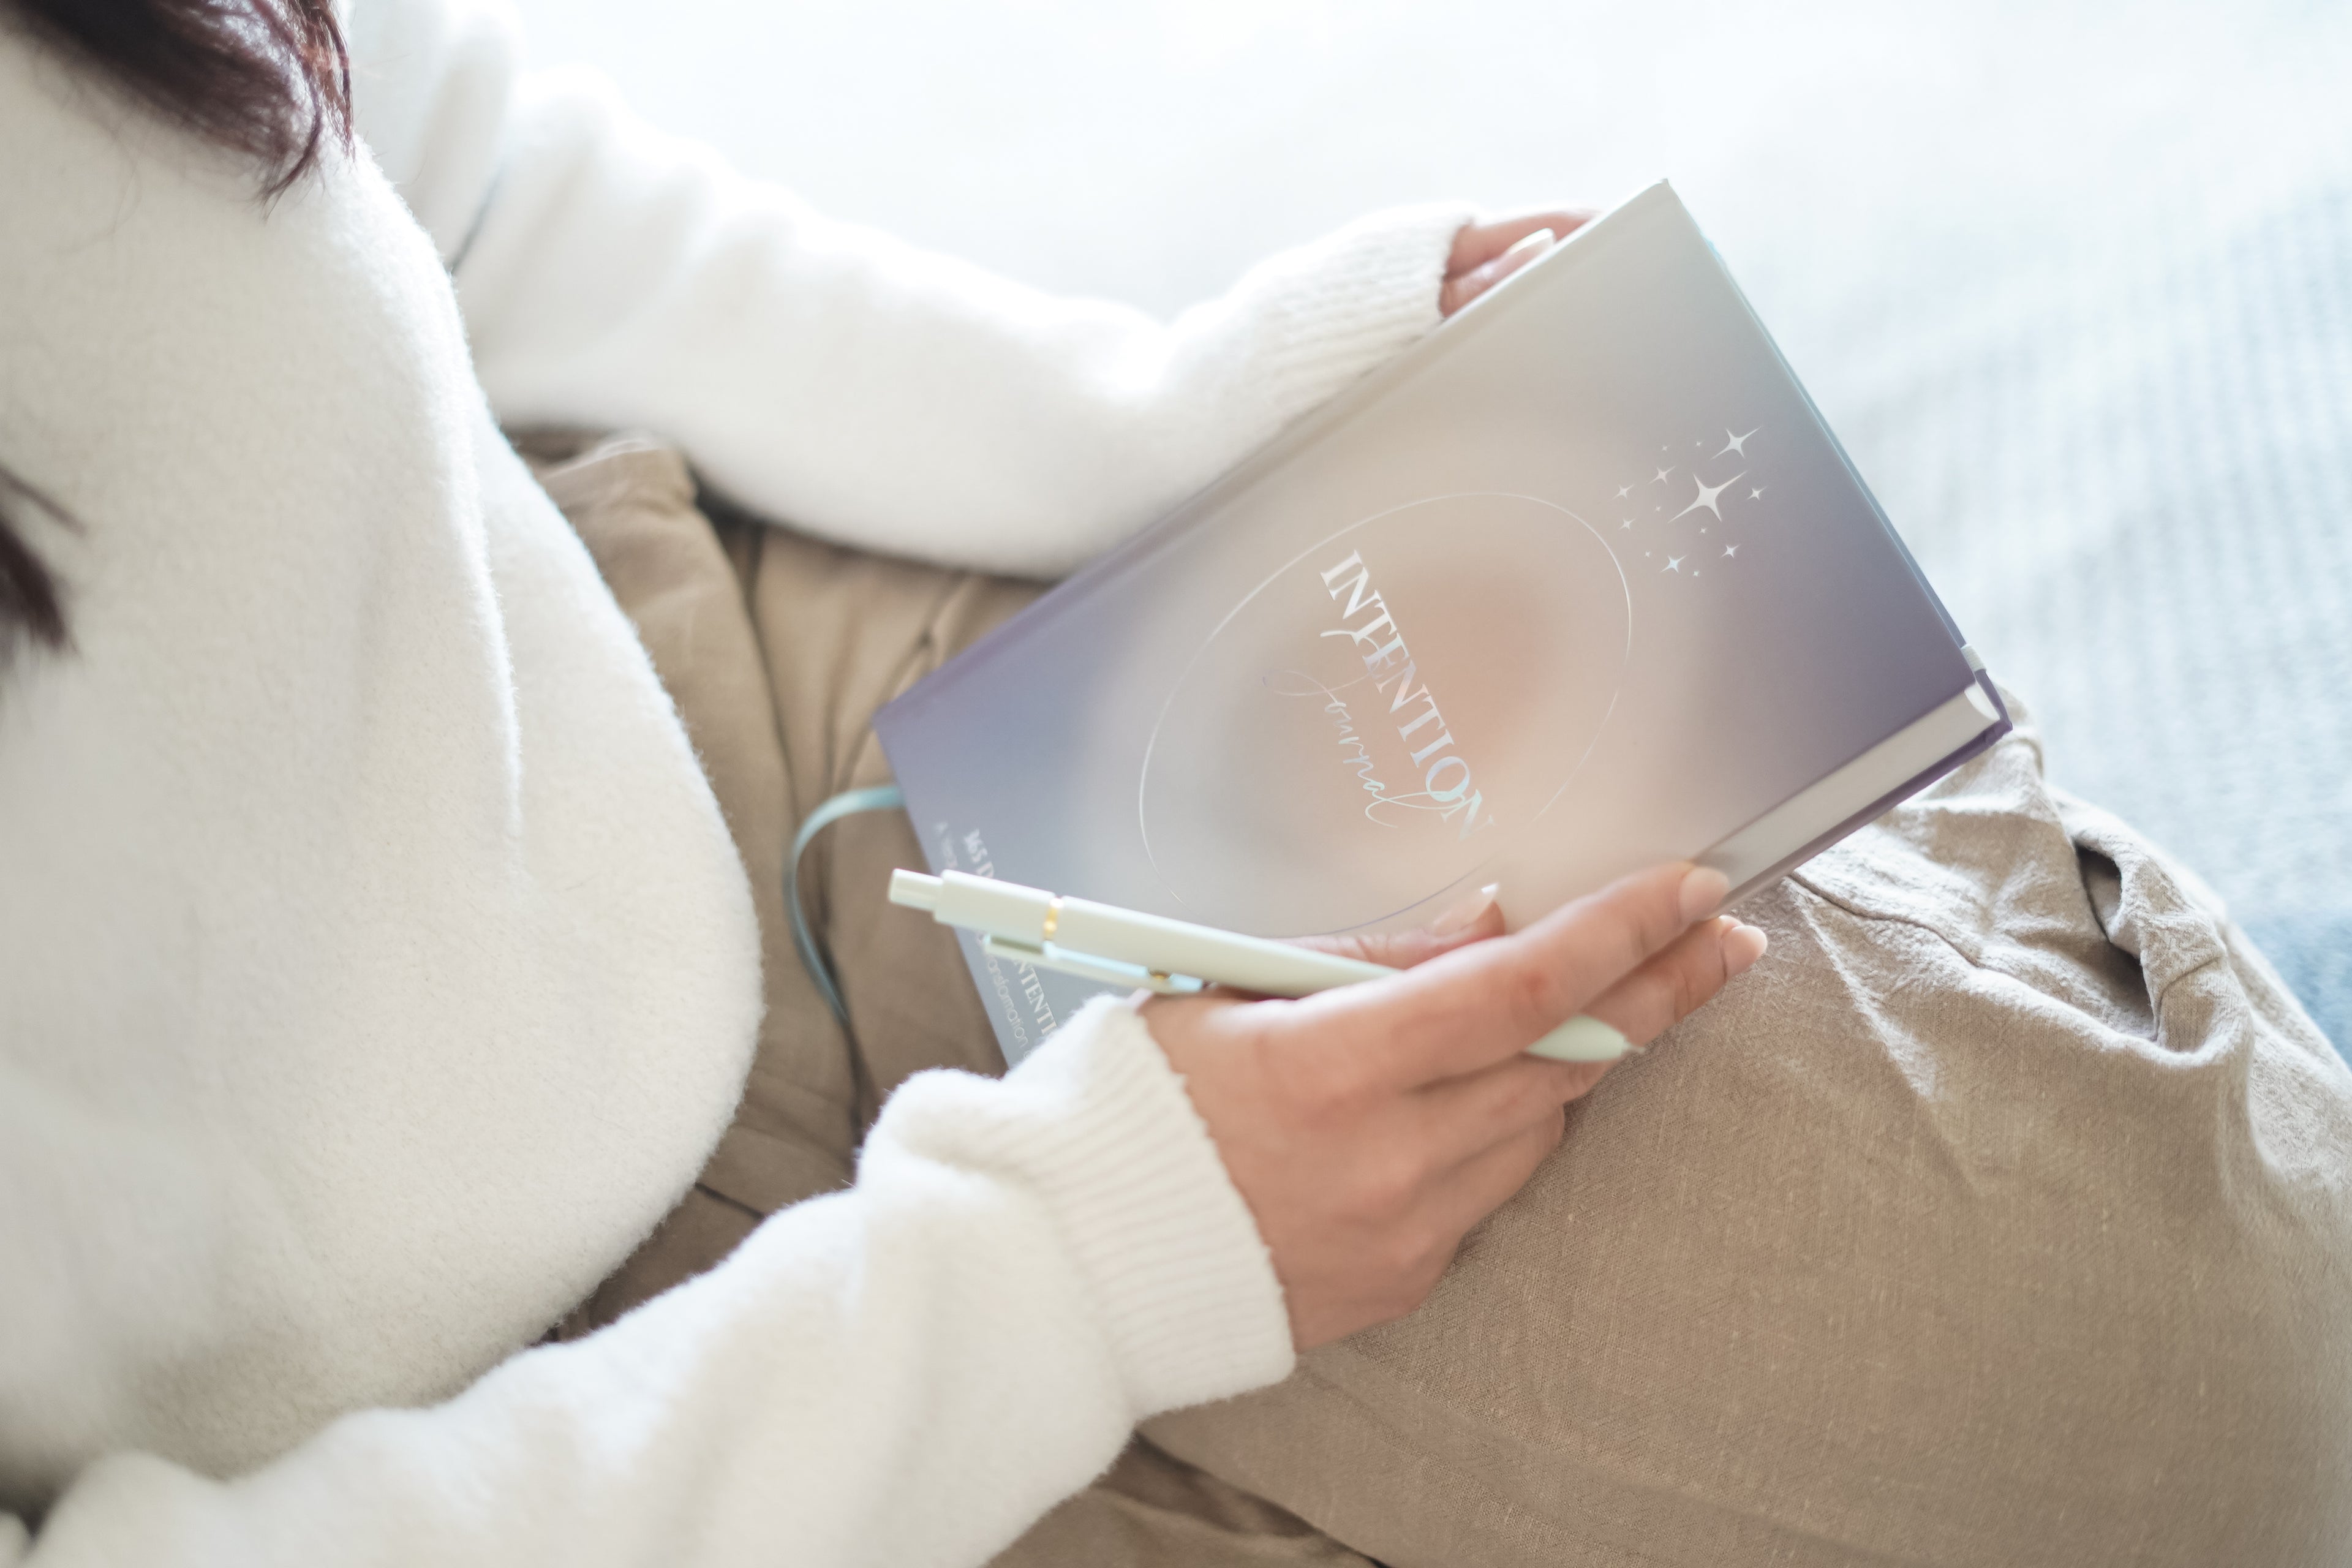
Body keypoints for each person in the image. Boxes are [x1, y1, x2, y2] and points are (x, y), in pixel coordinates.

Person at [0, 1, 1771, 1562]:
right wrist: (1060, 1278)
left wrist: (1162, 418)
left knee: (1888, 1136)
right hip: (549, 1456)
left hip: (689, 704)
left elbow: (465, 179)